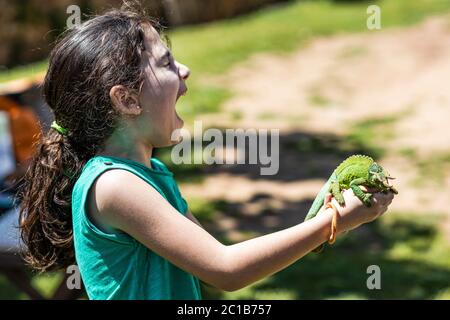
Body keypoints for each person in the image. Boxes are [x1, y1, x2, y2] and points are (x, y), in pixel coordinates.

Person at [17, 5, 395, 300]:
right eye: (166, 63)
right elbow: (225, 270)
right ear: (127, 99)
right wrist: (333, 222)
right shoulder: (113, 185)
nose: (185, 70)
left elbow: (208, 263)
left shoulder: (152, 174)